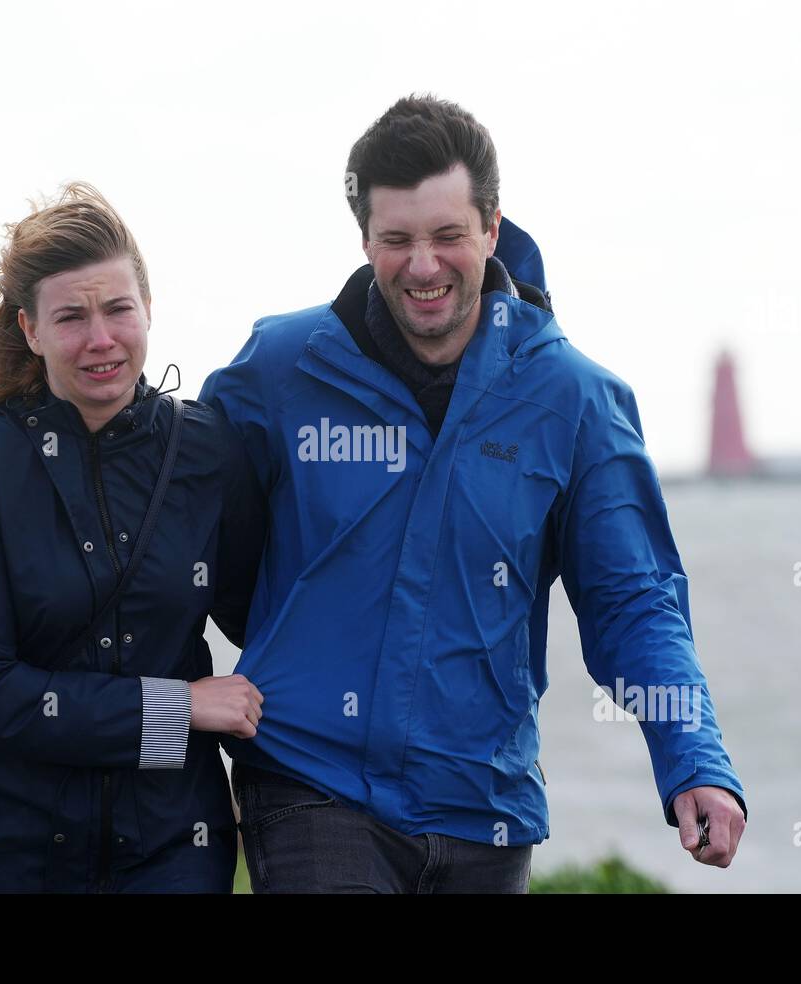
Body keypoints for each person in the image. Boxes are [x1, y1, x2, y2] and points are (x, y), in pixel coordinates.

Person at [200, 95, 747, 893]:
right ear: (364, 240)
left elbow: (633, 601)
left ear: (492, 229)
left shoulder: (576, 400)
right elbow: (180, 528)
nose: (423, 266)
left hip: (486, 803)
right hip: (310, 780)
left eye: (448, 236)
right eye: (397, 240)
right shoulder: (280, 369)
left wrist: (693, 758)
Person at [0, 182, 266, 893]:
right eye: (71, 317)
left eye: (118, 309)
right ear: (31, 330)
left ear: (149, 309)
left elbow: (266, 614)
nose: (101, 338)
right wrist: (179, 706)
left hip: (173, 844)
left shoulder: (210, 451)